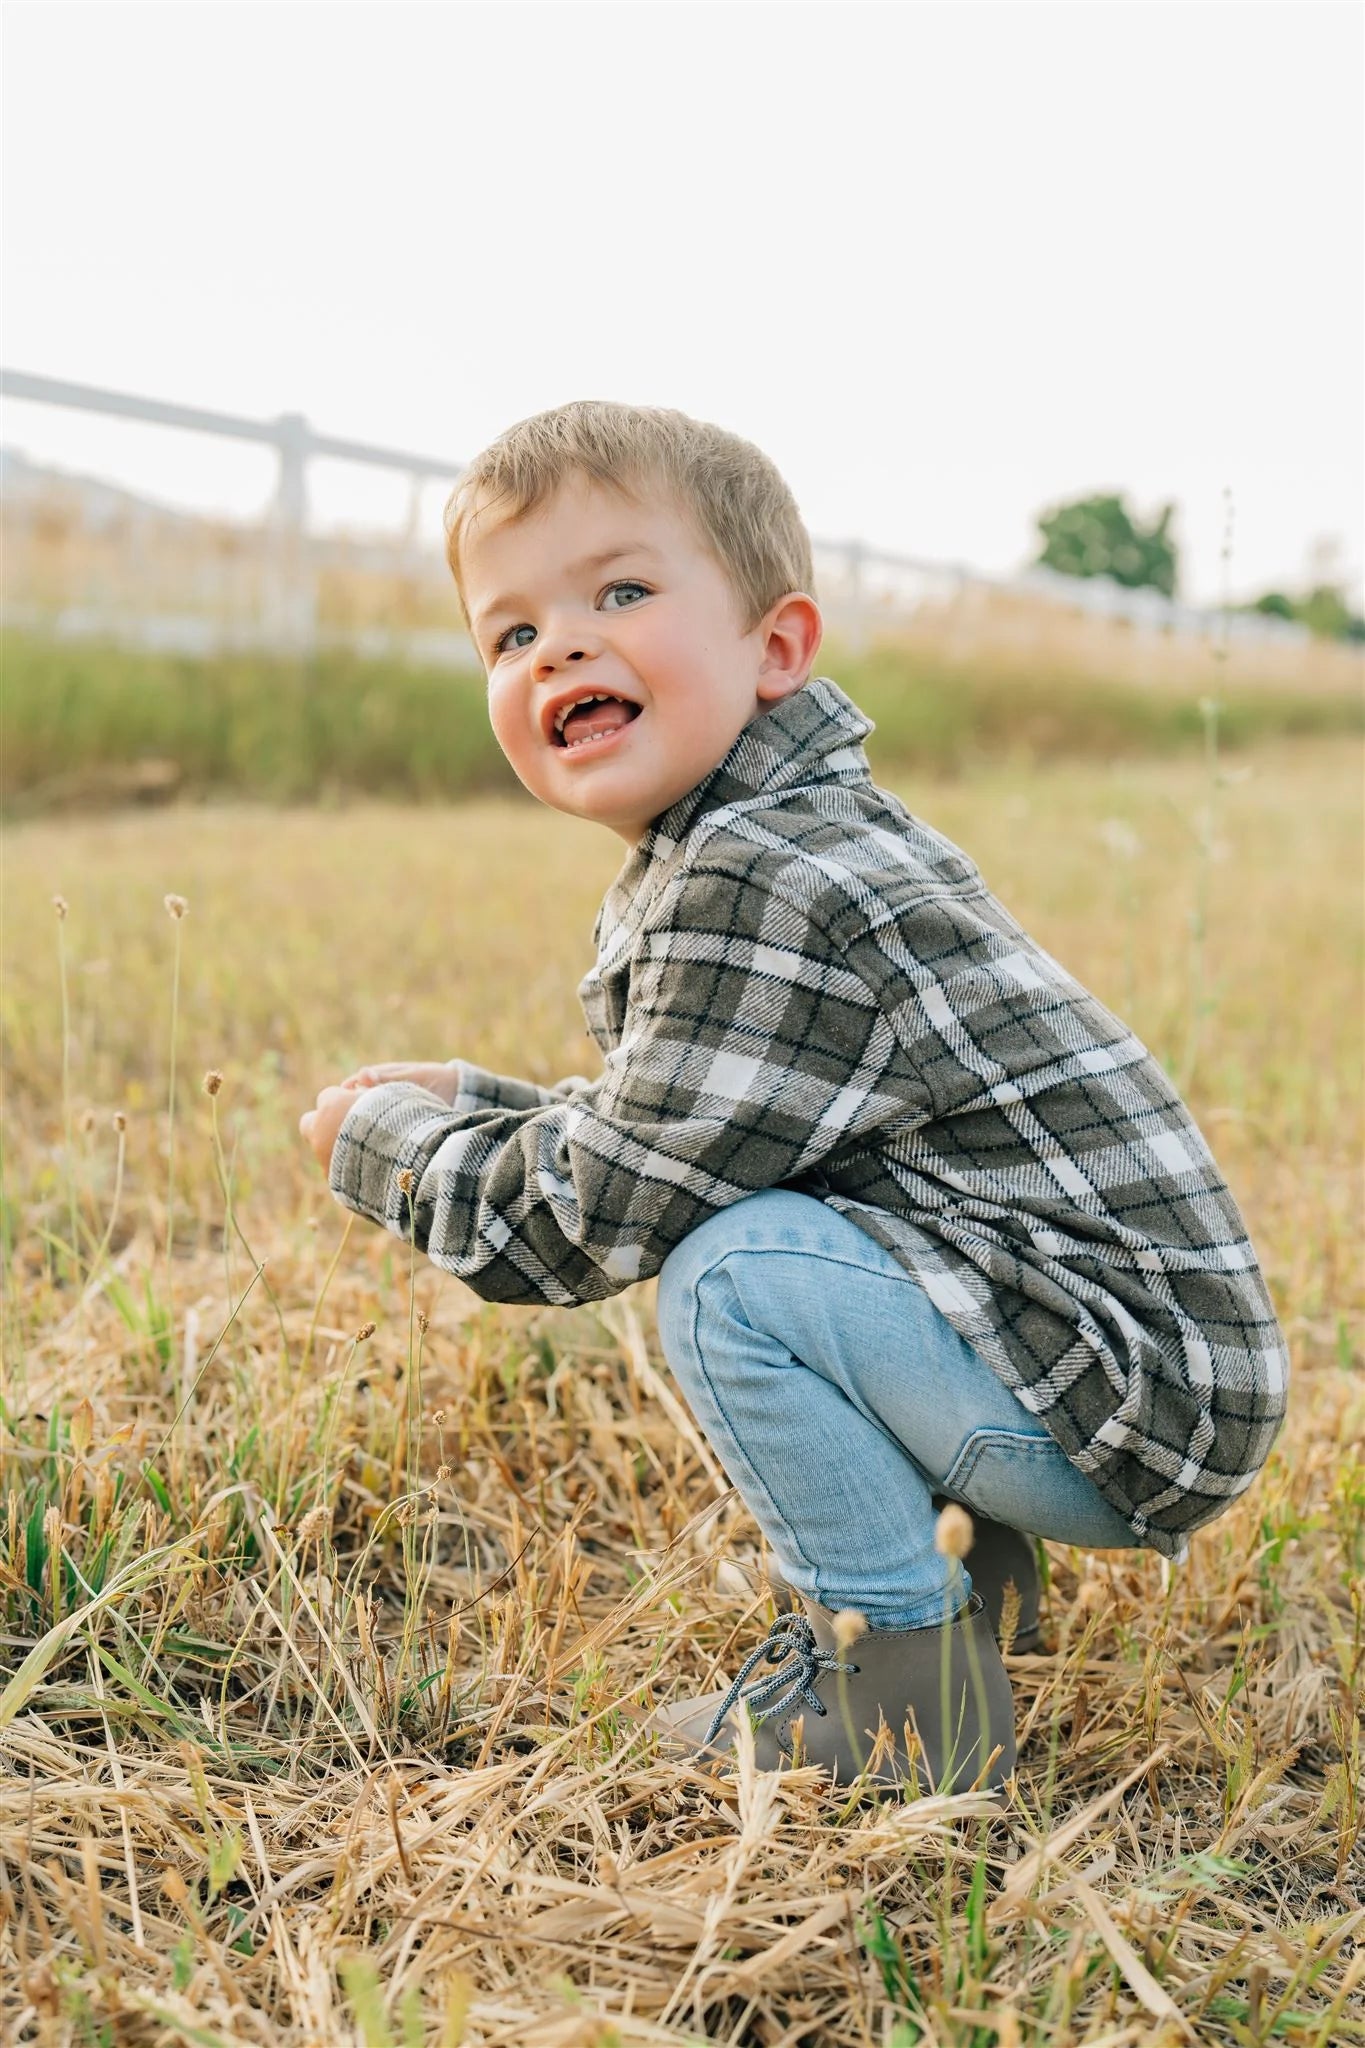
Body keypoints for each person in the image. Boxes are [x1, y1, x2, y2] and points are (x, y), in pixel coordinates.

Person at [299, 400, 1289, 1796]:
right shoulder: (781, 830)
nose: (559, 647)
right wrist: (480, 1099)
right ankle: (973, 1587)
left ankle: (901, 1698)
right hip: (1131, 1370)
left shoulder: (761, 877)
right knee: (758, 1223)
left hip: (1126, 1402)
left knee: (735, 1275)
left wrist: (397, 1151)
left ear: (774, 649)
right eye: (510, 634)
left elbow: (593, 1220)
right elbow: (701, 1127)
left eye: (620, 594)